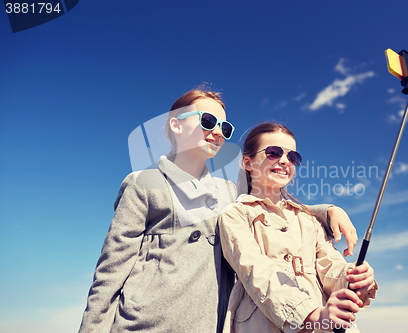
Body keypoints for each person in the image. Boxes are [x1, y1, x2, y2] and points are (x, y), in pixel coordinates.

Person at [78, 89, 358, 333]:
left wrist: (327, 210)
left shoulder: (229, 191)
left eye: (225, 128)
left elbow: (274, 205)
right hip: (145, 324)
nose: (217, 132)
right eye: (208, 121)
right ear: (176, 125)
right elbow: (110, 273)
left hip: (210, 325)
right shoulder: (143, 183)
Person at [219, 123, 378, 333]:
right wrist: (312, 315)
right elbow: (255, 272)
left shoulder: (309, 219)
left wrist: (354, 277)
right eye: (273, 153)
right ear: (248, 162)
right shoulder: (234, 215)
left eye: (292, 157)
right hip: (263, 324)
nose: (284, 161)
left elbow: (330, 266)